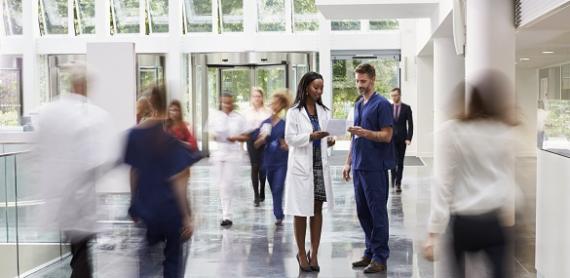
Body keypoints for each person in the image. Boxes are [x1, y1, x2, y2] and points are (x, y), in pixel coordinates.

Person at [423, 72, 518, 278]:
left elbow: (443, 181)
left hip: (464, 222)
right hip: (494, 220)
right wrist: (510, 212)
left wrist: (434, 230)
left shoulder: (452, 131)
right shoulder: (504, 131)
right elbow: (508, 177)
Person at [34, 67, 114, 278]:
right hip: (80, 200)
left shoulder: (49, 111)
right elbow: (96, 160)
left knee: (78, 250)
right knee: (81, 253)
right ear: (83, 86)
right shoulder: (93, 115)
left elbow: (39, 152)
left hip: (60, 199)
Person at [124, 86, 198, 278]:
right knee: (173, 262)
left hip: (147, 208)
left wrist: (134, 202)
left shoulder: (134, 135)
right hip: (170, 211)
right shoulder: (172, 142)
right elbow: (179, 182)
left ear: (149, 104)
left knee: (147, 263)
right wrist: (187, 217)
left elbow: (134, 172)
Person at [342, 63, 394, 274]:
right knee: (363, 212)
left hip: (375, 168)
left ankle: (380, 257)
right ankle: (370, 252)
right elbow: (354, 137)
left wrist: (365, 133)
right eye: (357, 81)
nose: (359, 85)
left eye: (363, 81)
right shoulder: (358, 104)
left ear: (373, 79)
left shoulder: (382, 104)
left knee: (377, 213)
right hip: (360, 167)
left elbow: (387, 135)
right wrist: (348, 162)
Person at [284, 72, 335, 273]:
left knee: (317, 210)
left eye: (321, 87)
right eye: (316, 87)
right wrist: (310, 136)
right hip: (301, 168)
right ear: (306, 88)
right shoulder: (294, 112)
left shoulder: (324, 111)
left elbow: (326, 137)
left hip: (319, 167)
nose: (319, 91)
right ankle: (301, 253)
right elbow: (290, 139)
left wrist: (328, 140)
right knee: (300, 211)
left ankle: (314, 253)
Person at [209, 92, 249, 227]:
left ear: (232, 102)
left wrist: (236, 138)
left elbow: (246, 136)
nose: (226, 105)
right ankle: (225, 212)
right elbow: (210, 133)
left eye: (229, 102)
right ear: (220, 102)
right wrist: (215, 136)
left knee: (227, 184)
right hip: (219, 154)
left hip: (232, 155)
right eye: (224, 102)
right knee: (221, 185)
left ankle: (227, 215)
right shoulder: (215, 116)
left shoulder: (238, 118)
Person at [254, 90, 292, 225]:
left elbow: (290, 144)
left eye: (276, 103)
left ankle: (278, 214)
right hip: (268, 161)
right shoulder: (265, 123)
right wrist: (262, 139)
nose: (273, 105)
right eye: (272, 103)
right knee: (273, 188)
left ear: (281, 105)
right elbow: (256, 144)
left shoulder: (285, 124)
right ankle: (278, 212)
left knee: (278, 187)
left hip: (282, 161)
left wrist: (286, 146)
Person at [245, 87, 272, 207]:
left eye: (259, 96)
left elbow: (269, 126)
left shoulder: (267, 111)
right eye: (254, 96)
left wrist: (262, 138)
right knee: (254, 166)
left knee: (263, 168)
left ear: (262, 98)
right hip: (251, 141)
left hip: (264, 139)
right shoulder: (247, 112)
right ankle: (256, 195)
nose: (256, 98)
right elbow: (244, 129)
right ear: (251, 98)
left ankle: (262, 189)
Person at [390, 87, 414, 193]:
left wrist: (409, 138)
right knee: (392, 161)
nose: (394, 97)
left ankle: (398, 183)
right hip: (390, 139)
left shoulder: (406, 108)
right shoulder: (388, 107)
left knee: (400, 162)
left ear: (399, 95)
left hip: (402, 139)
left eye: (395, 95)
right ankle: (393, 180)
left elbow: (411, 124)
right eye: (392, 95)